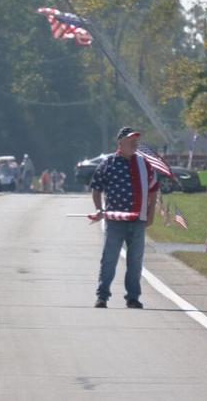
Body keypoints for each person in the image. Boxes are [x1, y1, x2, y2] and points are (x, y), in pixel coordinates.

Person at [90, 127, 159, 309]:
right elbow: (96, 188)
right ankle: (102, 296)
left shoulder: (144, 165)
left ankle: (133, 297)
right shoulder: (108, 163)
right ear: (120, 143)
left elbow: (153, 190)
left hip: (138, 220)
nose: (134, 143)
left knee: (135, 261)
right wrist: (99, 209)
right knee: (109, 259)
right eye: (130, 140)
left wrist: (150, 215)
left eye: (136, 140)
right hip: (115, 221)